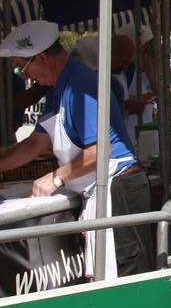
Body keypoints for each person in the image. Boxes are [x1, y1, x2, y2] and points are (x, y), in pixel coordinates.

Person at [0, 21, 155, 278]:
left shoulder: (81, 84)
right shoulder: (57, 90)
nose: (25, 77)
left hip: (119, 190)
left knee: (128, 278)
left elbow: (99, 150)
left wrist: (56, 177)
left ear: (40, 57)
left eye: (22, 68)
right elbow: (34, 144)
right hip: (105, 190)